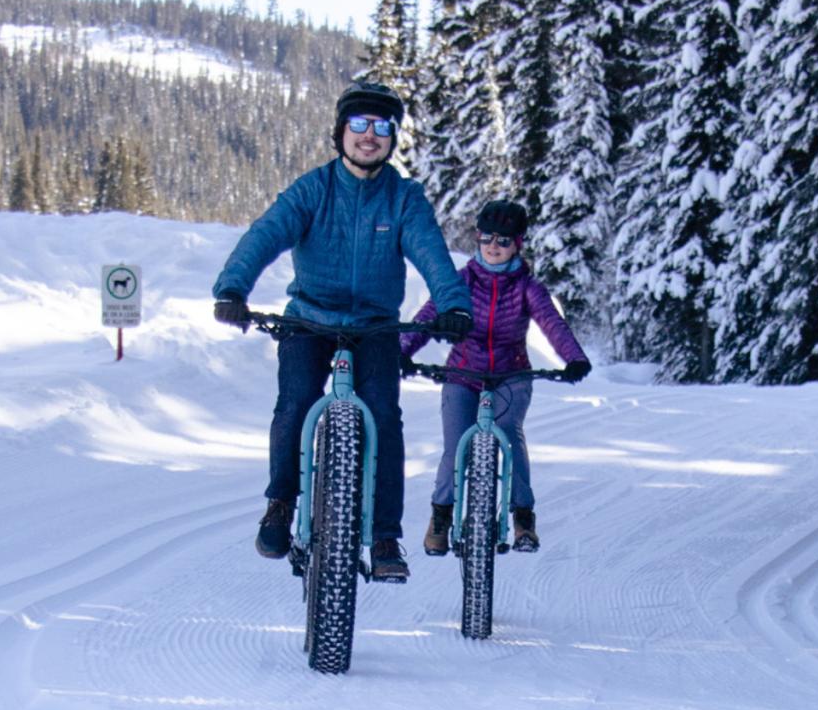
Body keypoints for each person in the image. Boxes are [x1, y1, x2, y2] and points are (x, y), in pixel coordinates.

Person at [211, 81, 473, 582]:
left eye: (381, 127)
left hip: (374, 325)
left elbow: (433, 256)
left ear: (393, 137)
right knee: (294, 404)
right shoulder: (314, 189)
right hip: (309, 319)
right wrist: (233, 289)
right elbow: (266, 234)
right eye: (358, 125)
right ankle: (281, 506)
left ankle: (384, 537)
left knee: (385, 419)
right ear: (340, 133)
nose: (369, 136)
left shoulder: (404, 199)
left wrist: (452, 304)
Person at [401, 199, 590, 555]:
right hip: (463, 373)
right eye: (487, 238)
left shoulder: (526, 287)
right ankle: (440, 517)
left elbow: (552, 322)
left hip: (511, 375)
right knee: (455, 447)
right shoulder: (462, 280)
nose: (493, 246)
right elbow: (428, 315)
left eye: (503, 241)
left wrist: (574, 358)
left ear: (517, 244)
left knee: (509, 436)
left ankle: (523, 519)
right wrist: (402, 350)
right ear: (477, 238)